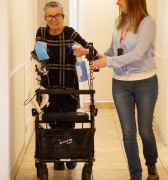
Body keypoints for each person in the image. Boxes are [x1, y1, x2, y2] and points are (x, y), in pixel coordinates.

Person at [89, 0, 159, 180]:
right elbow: (114, 49)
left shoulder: (147, 23)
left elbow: (137, 54)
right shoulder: (118, 21)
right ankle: (135, 176)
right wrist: (97, 57)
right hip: (120, 84)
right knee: (128, 132)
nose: (117, 2)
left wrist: (108, 62)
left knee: (145, 130)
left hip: (145, 82)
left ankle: (151, 164)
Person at [35, 1, 97, 171]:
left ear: (63, 16)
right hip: (49, 87)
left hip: (70, 86)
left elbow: (91, 51)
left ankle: (69, 154)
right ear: (45, 17)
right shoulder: (41, 32)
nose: (54, 19)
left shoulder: (70, 33)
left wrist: (85, 52)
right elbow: (39, 54)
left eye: (57, 15)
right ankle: (57, 157)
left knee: (69, 121)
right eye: (50, 16)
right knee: (53, 122)